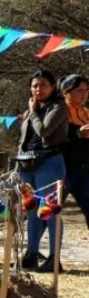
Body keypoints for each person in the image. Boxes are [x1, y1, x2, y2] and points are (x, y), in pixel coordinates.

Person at [16, 70, 69, 272]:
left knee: (51, 209)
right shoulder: (33, 108)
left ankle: (54, 257)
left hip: (49, 162)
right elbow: (24, 140)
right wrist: (17, 165)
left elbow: (44, 133)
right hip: (27, 164)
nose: (38, 89)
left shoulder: (58, 106)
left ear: (53, 87)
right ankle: (31, 253)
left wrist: (32, 112)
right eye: (35, 86)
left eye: (43, 85)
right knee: (31, 211)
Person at [59, 74, 89, 229]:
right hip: (62, 168)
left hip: (84, 169)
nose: (83, 94)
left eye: (86, 90)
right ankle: (33, 249)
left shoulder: (86, 113)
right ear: (66, 92)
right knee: (51, 209)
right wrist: (78, 134)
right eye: (79, 90)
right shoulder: (59, 111)